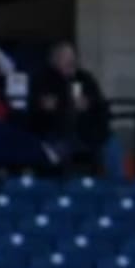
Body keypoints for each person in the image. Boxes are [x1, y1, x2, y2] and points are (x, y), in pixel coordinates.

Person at [29, 41, 110, 171]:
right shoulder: (42, 79)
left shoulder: (84, 78)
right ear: (54, 60)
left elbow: (101, 103)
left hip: (88, 130)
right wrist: (45, 107)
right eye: (65, 58)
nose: (71, 62)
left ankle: (116, 188)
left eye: (72, 58)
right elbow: (34, 108)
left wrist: (89, 103)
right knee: (58, 149)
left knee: (111, 145)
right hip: (55, 131)